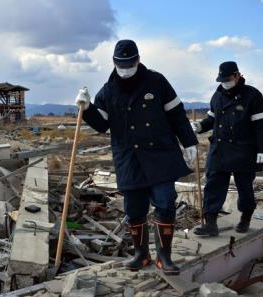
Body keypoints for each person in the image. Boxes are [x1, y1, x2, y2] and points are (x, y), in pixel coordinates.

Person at [75, 40, 198, 275]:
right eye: (121, 65)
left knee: (165, 202)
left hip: (160, 154)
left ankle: (164, 257)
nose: (126, 69)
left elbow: (177, 114)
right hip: (129, 158)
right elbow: (101, 125)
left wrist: (189, 141)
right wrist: (87, 107)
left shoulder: (157, 81)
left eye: (130, 64)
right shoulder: (108, 90)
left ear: (138, 60)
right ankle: (141, 255)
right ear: (113, 62)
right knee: (134, 208)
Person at [191, 61, 263, 237]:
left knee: (244, 187)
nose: (224, 82)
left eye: (227, 79)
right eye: (221, 79)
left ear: (237, 75)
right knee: (213, 184)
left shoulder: (252, 95)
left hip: (244, 150)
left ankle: (246, 217)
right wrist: (199, 126)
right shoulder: (217, 96)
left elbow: (262, 126)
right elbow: (211, 118)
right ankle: (211, 223)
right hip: (219, 149)